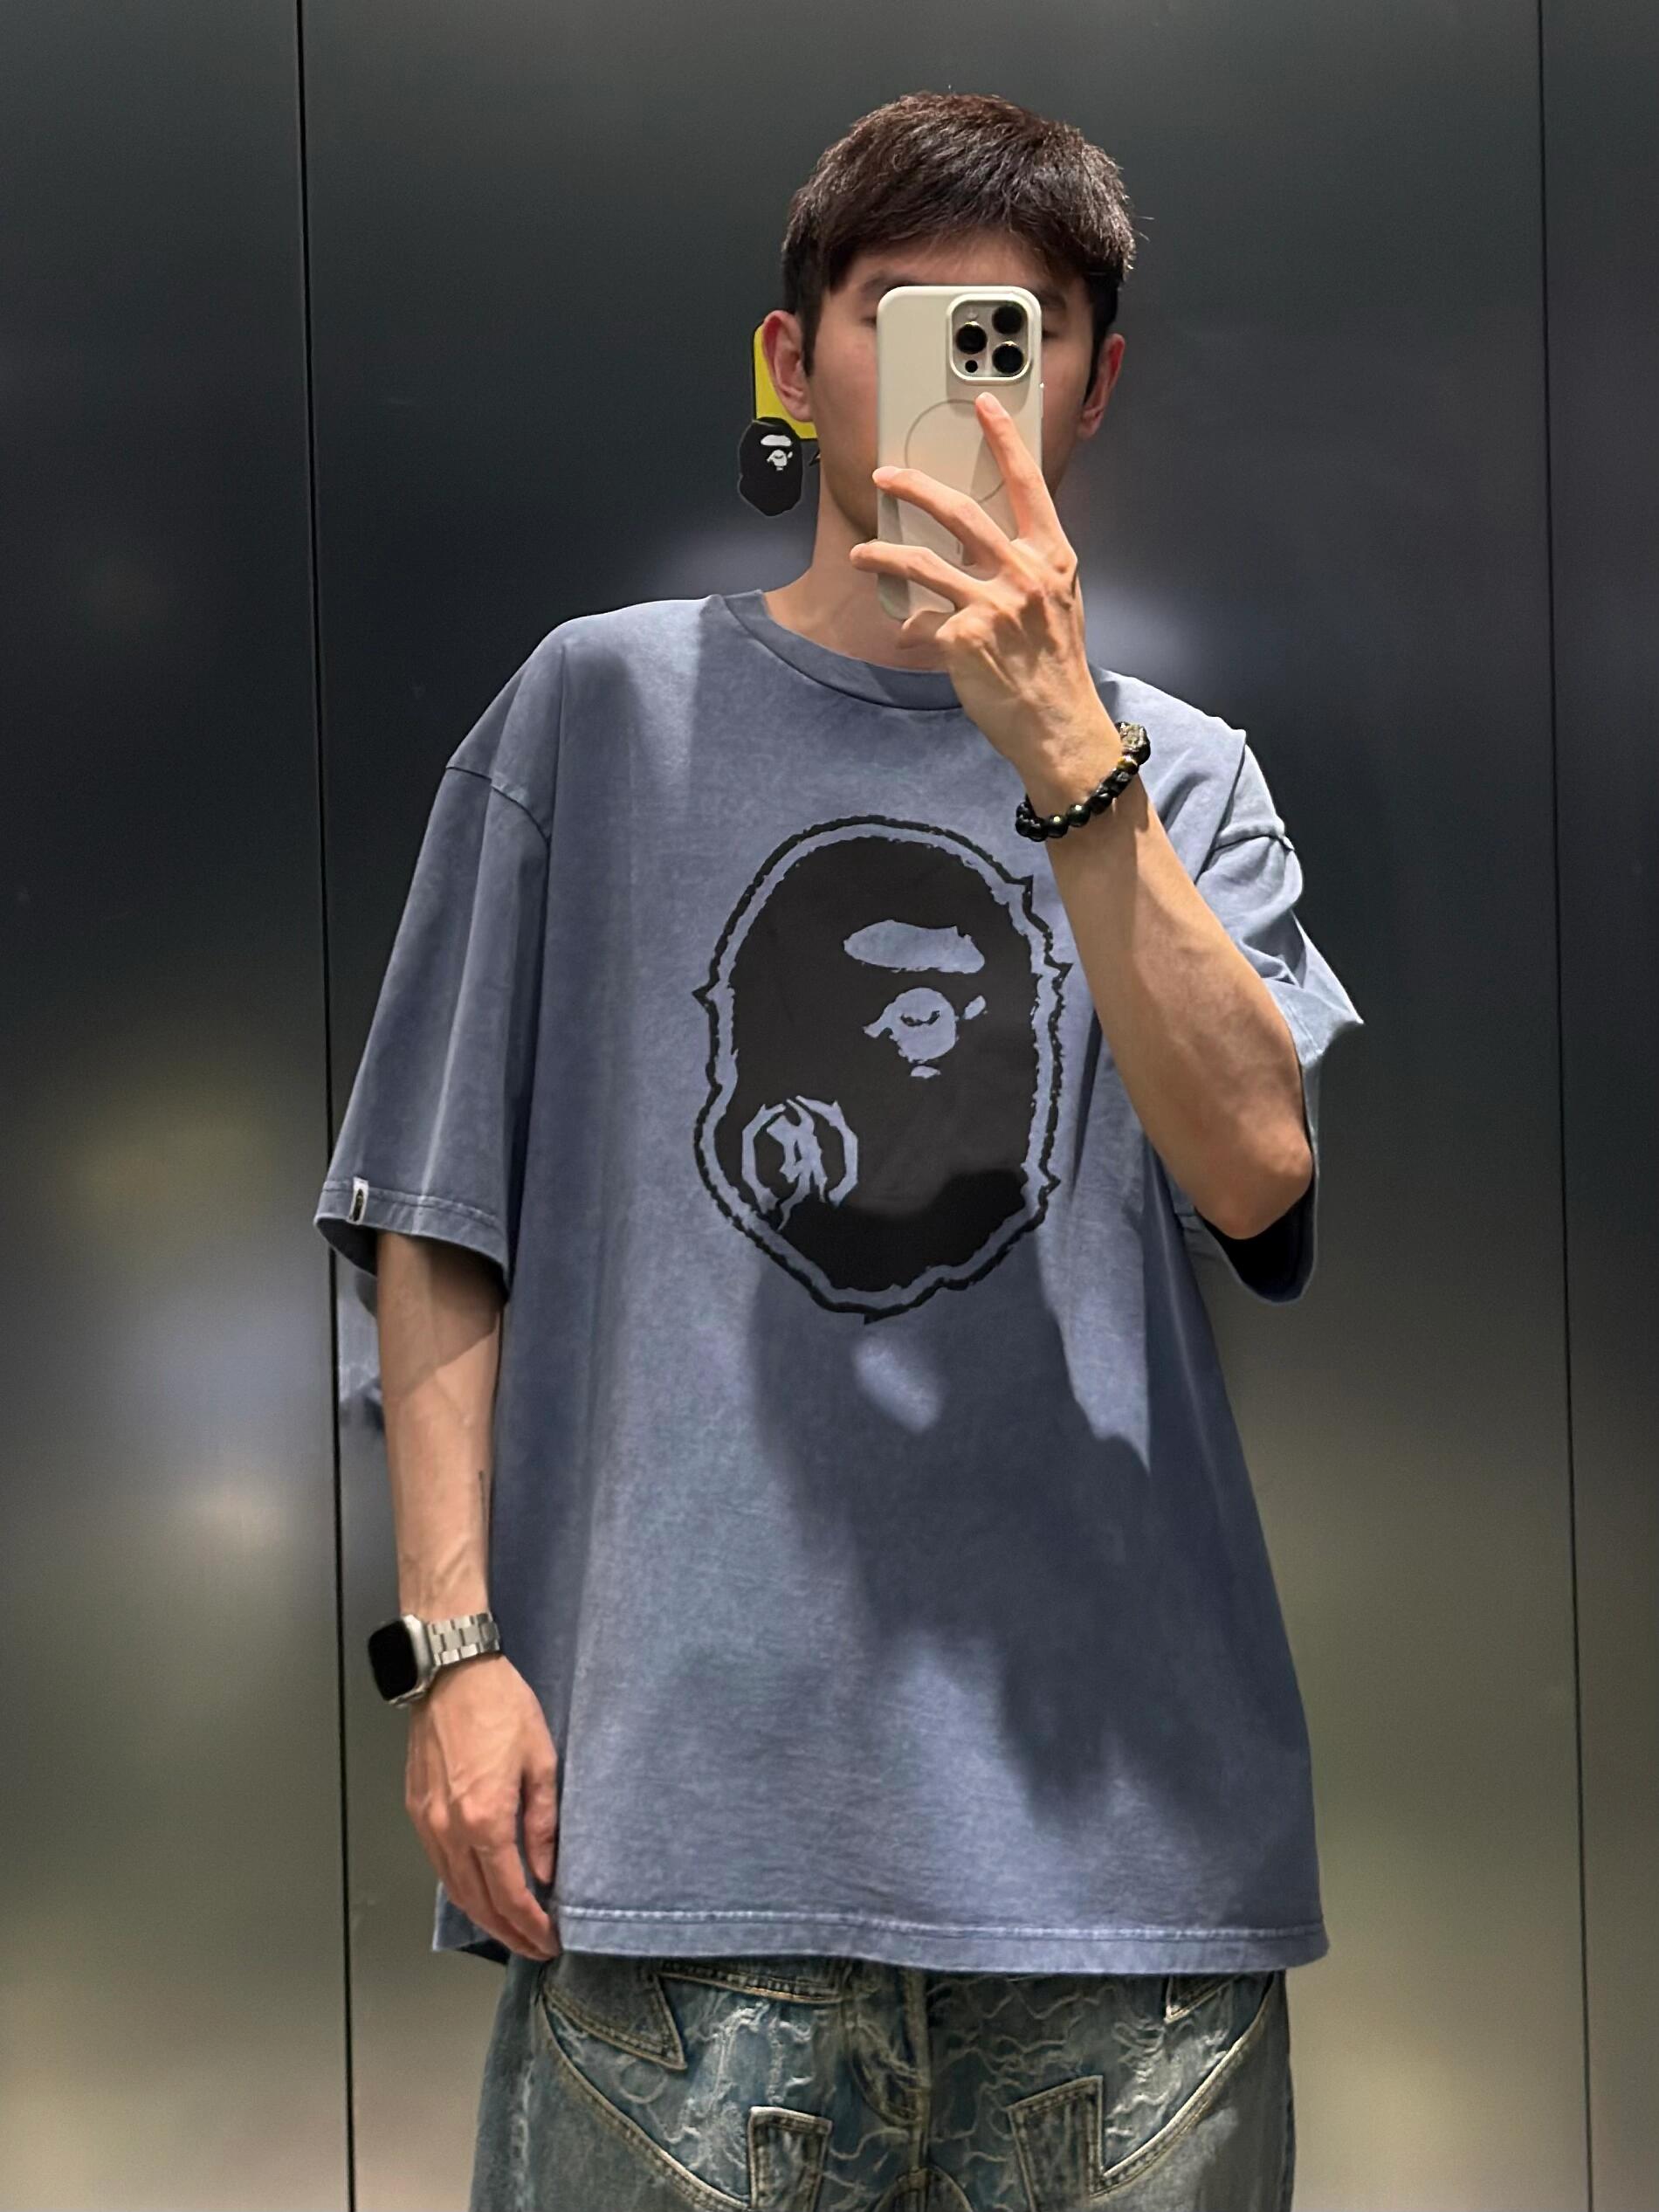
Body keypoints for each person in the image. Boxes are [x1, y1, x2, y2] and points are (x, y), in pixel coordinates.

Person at [314, 88, 1364, 2212]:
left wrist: (1061, 753)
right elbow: (434, 1216)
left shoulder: (1182, 775)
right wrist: (452, 1656)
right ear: (793, 363)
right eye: (900, 321)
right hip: (669, 1860)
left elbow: (1254, 1173)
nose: (960, 381)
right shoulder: (596, 715)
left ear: (1089, 388)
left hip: (1118, 1880)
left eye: (1015, 334)